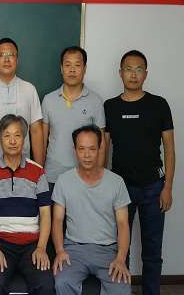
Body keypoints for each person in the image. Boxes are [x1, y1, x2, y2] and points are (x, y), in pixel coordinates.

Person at [103, 50, 176, 295]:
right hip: (120, 188)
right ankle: (120, 291)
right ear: (120, 73)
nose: (133, 74)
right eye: (128, 69)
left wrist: (168, 187)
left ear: (146, 74)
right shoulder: (110, 106)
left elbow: (169, 148)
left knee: (152, 250)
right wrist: (103, 186)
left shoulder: (159, 105)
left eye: (138, 69)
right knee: (120, 248)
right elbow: (104, 148)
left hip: (153, 187)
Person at [52, 125, 131, 295]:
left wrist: (120, 258)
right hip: (74, 250)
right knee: (62, 282)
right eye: (81, 149)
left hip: (107, 251)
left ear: (100, 148)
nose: (86, 155)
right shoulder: (63, 181)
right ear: (74, 150)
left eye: (92, 149)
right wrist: (59, 251)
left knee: (122, 289)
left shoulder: (116, 182)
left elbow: (123, 224)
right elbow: (57, 220)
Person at [0, 115, 53, 295]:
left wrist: (41, 248)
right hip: (1, 244)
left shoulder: (38, 172)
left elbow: (45, 214)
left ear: (24, 139)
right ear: (0, 139)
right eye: (7, 135)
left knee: (46, 284)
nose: (12, 141)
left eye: (17, 135)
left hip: (31, 244)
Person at [0, 38, 44, 180]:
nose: (6, 59)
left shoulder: (29, 90)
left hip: (24, 169)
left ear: (17, 60)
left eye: (11, 54)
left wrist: (39, 170)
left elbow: (36, 131)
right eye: (1, 55)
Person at [41, 46, 105, 191]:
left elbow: (101, 144)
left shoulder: (95, 101)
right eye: (68, 65)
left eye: (77, 65)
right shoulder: (49, 100)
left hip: (84, 177)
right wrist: (40, 173)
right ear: (61, 68)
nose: (72, 70)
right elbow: (42, 141)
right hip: (52, 176)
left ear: (84, 68)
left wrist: (98, 177)